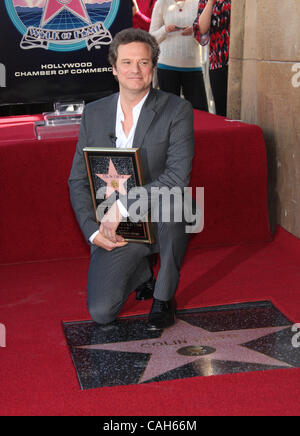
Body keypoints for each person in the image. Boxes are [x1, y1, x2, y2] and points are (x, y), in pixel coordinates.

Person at [68, 28, 194, 330]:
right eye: (126, 63)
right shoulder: (94, 114)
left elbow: (177, 177)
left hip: (163, 210)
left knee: (176, 204)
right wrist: (91, 231)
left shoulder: (177, 109)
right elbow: (78, 181)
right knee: (101, 312)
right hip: (116, 223)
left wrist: (123, 206)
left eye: (143, 62)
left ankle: (164, 297)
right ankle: (141, 271)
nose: (134, 70)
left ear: (153, 67)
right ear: (114, 69)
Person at [150, 0, 208, 111]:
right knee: (168, 113)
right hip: (166, 66)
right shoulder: (161, 3)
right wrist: (165, 29)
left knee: (201, 112)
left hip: (193, 66)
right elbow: (151, 38)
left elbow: (206, 36)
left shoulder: (199, 3)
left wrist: (195, 30)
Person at [193, 0, 231, 116]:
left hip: (239, 61)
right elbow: (202, 30)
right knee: (221, 111)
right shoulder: (205, 1)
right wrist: (210, 2)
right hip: (217, 62)